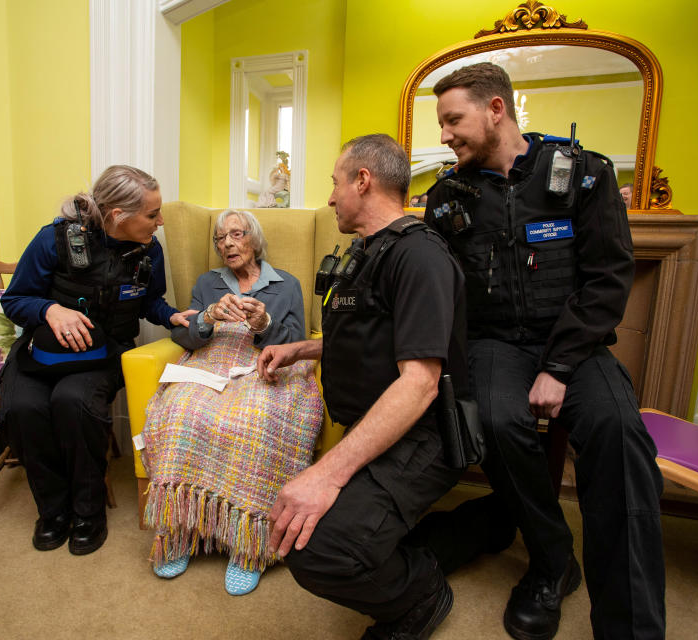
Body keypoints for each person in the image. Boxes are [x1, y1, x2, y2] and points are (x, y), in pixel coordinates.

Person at [423, 62, 665, 639]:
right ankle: (553, 561)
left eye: (453, 119)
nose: (444, 134)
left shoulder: (584, 174)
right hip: (494, 344)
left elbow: (609, 278)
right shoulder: (448, 196)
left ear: (496, 110)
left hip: (573, 345)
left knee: (619, 434)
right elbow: (440, 290)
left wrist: (558, 367)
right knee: (500, 424)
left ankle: (630, 627)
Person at [256, 133, 468, 639]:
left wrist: (326, 475)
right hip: (372, 427)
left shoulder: (419, 257)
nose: (330, 197)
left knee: (316, 551)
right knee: (312, 528)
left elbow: (419, 383)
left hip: (422, 435)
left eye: (334, 182)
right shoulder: (366, 252)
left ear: (363, 180)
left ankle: (424, 594)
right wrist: (301, 349)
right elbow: (374, 338)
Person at [0, 165, 192, 555]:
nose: (161, 221)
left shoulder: (148, 251)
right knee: (22, 407)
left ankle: (88, 514)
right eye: (152, 214)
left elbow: (147, 300)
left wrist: (169, 314)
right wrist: (50, 309)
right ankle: (53, 511)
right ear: (119, 216)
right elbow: (14, 299)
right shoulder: (53, 239)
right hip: (43, 351)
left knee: (74, 403)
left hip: (103, 351)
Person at [140, 209, 317, 596]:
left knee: (254, 420)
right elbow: (187, 339)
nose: (228, 244)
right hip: (211, 362)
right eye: (221, 238)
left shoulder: (286, 284)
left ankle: (247, 546)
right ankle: (181, 531)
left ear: (254, 240)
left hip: (262, 366)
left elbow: (298, 343)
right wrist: (206, 315)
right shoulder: (208, 282)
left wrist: (263, 325)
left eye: (236, 234)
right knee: (180, 413)